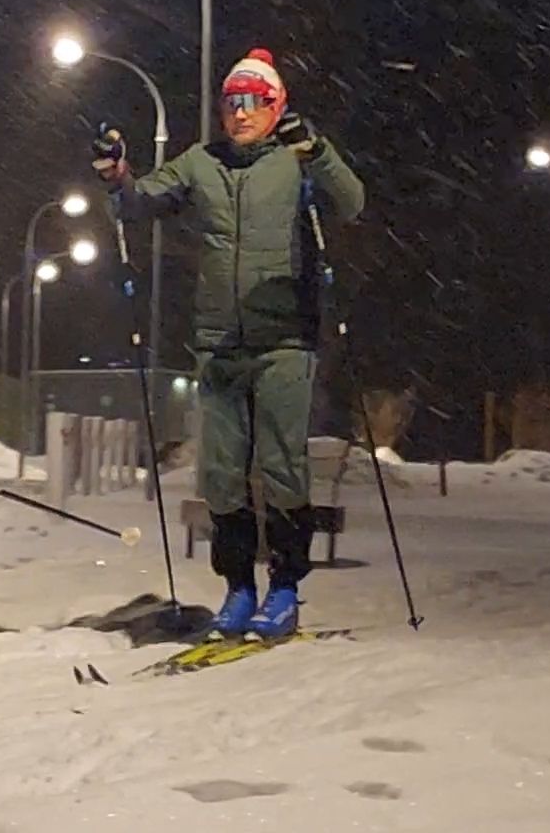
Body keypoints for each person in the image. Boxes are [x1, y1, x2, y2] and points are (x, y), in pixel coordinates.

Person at [94, 48, 364, 640]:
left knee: (282, 466)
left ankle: (285, 588)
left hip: (285, 337)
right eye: (230, 103)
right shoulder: (202, 162)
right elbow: (140, 203)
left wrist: (315, 149)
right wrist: (118, 177)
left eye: (253, 102)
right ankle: (238, 590)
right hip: (218, 343)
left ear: (277, 105)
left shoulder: (296, 159)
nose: (239, 114)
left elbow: (351, 201)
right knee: (220, 473)